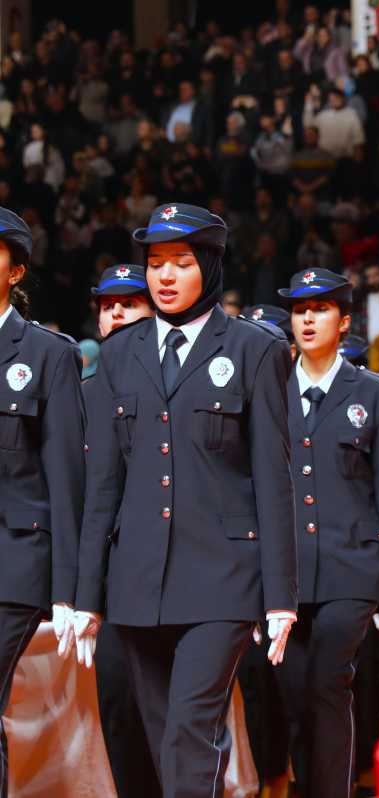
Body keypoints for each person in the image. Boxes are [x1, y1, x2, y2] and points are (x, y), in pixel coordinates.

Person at [72, 203, 298, 798]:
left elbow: (275, 481)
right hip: (135, 580)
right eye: (155, 264)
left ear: (212, 265)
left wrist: (280, 596)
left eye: (180, 262)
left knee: (189, 731)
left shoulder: (255, 349)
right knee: (158, 732)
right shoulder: (119, 354)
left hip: (223, 577)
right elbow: (103, 486)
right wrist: (86, 594)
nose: (164, 277)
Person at [273, 268, 379, 798]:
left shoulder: (375, 395)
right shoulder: (270, 388)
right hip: (285, 572)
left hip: (352, 568)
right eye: (300, 311)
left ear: (345, 322)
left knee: (329, 682)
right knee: (293, 692)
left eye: (321, 310)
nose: (308, 320)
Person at [0, 206, 84, 798]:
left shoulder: (47, 355)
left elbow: (64, 472)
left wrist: (67, 589)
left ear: (16, 270)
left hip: (15, 557)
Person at [85, 262, 160, 798]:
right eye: (108, 305)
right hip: (105, 576)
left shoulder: (175, 384)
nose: (116, 313)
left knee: (172, 712)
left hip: (169, 571)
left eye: (129, 304)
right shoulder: (79, 388)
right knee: (117, 704)